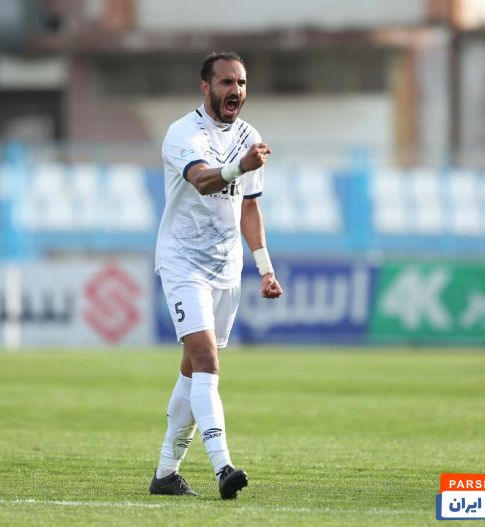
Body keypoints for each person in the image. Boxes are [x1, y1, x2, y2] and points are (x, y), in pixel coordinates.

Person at [150, 50, 283, 500]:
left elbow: (249, 208)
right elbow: (204, 180)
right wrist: (240, 165)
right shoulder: (182, 134)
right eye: (226, 82)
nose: (236, 90)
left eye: (241, 83)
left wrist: (265, 268)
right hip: (183, 262)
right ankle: (223, 467)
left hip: (227, 268)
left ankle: (166, 474)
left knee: (193, 371)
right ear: (205, 87)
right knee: (207, 360)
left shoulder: (249, 135)